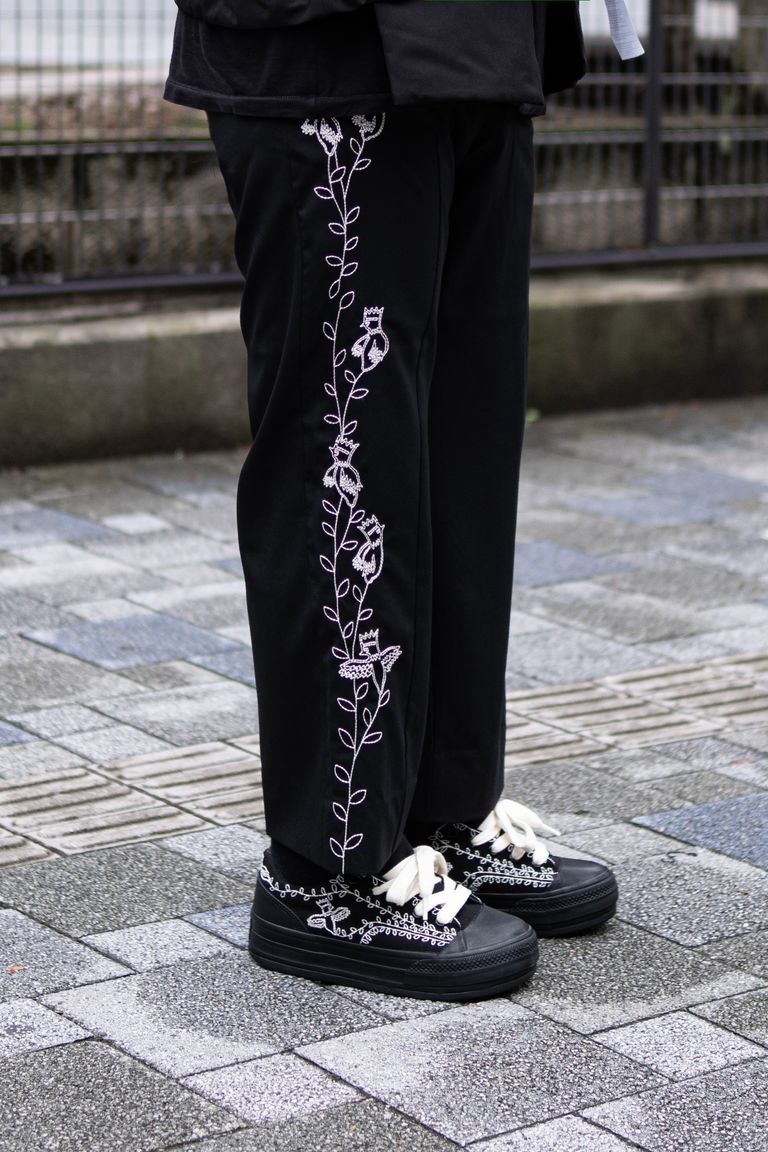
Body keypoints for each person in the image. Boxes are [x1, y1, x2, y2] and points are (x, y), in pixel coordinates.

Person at [164, 0, 643, 1002]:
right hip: (328, 46)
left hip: (481, 46)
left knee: (462, 457)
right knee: (344, 448)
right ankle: (326, 870)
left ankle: (437, 814)